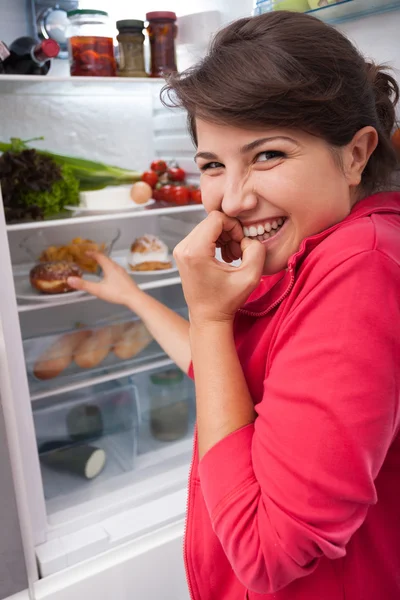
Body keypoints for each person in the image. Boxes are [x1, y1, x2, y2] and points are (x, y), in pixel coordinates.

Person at [68, 10, 400, 600]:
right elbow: (228, 379)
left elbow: (266, 552)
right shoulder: (320, 249)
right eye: (214, 165)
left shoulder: (359, 270)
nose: (236, 198)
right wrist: (133, 296)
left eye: (269, 155)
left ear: (355, 155)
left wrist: (211, 314)